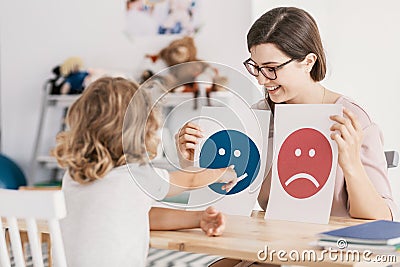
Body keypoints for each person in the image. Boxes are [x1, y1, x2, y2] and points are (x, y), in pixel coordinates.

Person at [176, 6, 399, 266]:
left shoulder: (351, 119)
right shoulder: (256, 117)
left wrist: (351, 165)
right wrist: (193, 160)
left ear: (308, 62)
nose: (262, 80)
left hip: (327, 255)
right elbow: (229, 194)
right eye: (255, 67)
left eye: (271, 68)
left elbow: (383, 221)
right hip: (270, 249)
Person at [52, 76, 238, 267]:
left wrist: (198, 218)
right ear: (144, 128)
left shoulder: (73, 177)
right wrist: (226, 173)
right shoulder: (136, 177)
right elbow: (189, 180)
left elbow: (141, 214)